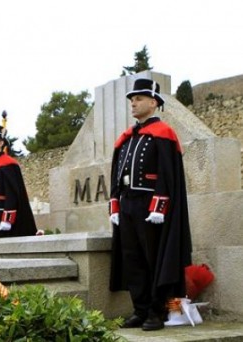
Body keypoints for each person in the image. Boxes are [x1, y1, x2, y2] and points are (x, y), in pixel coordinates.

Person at [108, 78, 192, 331]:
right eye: (132, 100)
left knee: (153, 258)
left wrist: (159, 207)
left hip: (151, 207)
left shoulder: (163, 134)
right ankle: (140, 309)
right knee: (132, 258)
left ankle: (157, 312)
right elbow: (117, 176)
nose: (133, 103)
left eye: (139, 99)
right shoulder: (127, 137)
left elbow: (167, 175)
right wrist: (115, 205)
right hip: (128, 205)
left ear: (153, 103)